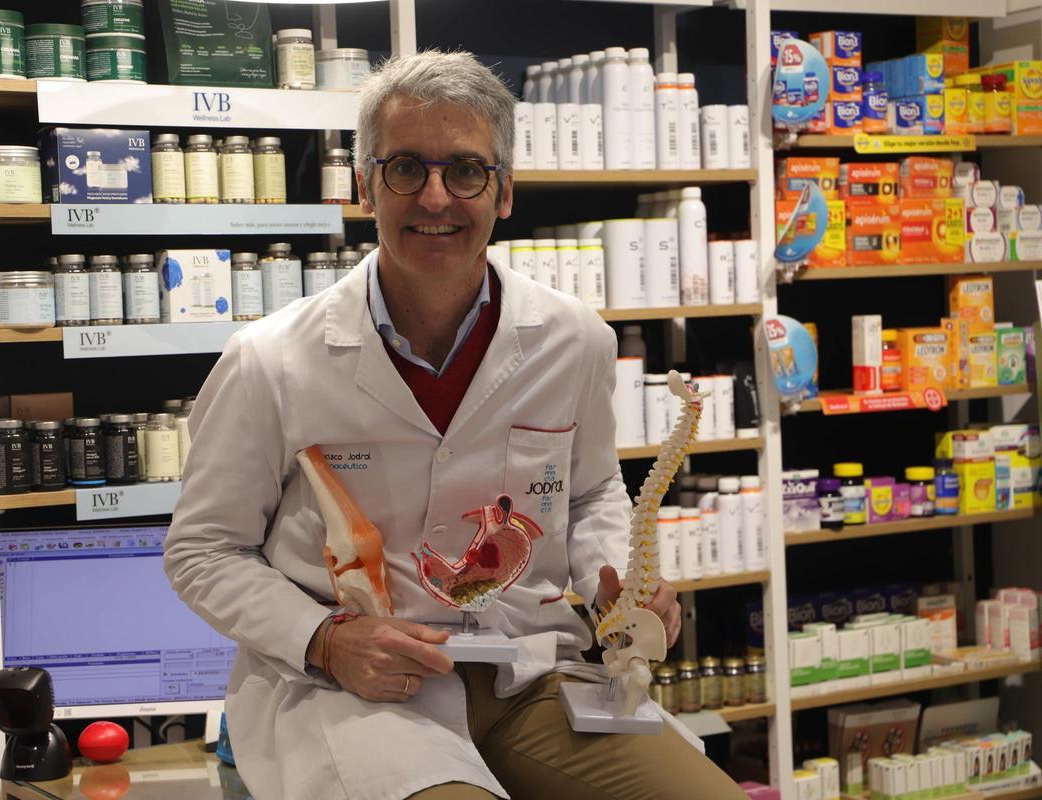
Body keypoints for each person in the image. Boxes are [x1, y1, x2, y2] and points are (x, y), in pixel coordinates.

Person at [164, 49, 745, 800]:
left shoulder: (574, 341)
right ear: (367, 184)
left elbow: (591, 492)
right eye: (406, 167)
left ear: (503, 192)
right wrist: (325, 640)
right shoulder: (270, 361)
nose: (435, 197)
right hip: (356, 692)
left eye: (465, 171)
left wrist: (618, 586)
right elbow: (203, 551)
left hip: (528, 677)